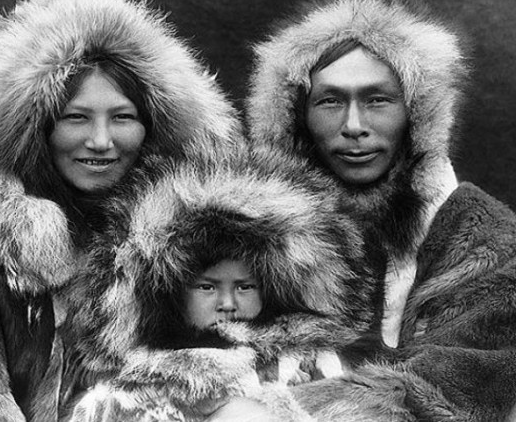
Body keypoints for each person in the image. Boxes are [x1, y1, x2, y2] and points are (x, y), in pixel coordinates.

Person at [0, 0, 242, 420]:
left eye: (122, 117)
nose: (101, 141)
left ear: (152, 127)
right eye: (76, 118)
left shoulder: (199, 240)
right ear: (39, 129)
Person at [242, 0, 516, 421]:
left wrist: (277, 411)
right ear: (296, 116)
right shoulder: (248, 232)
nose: (354, 125)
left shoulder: (489, 239)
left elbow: (468, 381)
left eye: (377, 100)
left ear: (416, 114)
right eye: (330, 101)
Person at [56, 152, 388, 421]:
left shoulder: (310, 366)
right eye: (207, 288)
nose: (227, 303)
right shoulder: (125, 392)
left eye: (244, 287)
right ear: (171, 295)